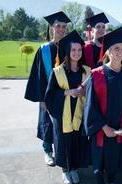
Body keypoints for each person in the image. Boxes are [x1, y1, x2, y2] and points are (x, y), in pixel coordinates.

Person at [83, 27, 122, 184]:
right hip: (102, 128)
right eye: (116, 48)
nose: (120, 51)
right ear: (108, 51)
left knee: (115, 157)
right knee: (100, 158)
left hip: (121, 128)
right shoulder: (96, 75)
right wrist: (103, 126)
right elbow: (90, 106)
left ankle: (112, 183)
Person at [44, 30, 91, 184]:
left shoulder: (87, 71)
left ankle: (74, 168)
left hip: (79, 112)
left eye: (79, 49)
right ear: (68, 51)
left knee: (77, 140)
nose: (76, 53)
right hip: (62, 113)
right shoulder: (58, 71)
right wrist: (68, 92)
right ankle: (65, 170)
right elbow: (50, 95)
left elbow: (93, 92)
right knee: (63, 141)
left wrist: (84, 92)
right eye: (73, 50)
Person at [24, 11, 71, 166]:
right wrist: (42, 99)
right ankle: (47, 150)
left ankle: (61, 150)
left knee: (63, 123)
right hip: (48, 95)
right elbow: (39, 76)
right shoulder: (44, 49)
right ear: (51, 28)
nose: (61, 29)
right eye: (58, 26)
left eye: (64, 26)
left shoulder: (69, 47)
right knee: (47, 123)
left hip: (65, 93)